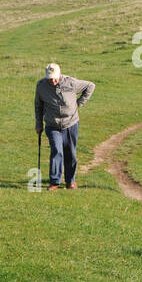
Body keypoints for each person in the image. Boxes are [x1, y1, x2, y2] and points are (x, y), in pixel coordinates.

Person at [34, 62, 95, 190]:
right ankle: (55, 181)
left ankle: (70, 181)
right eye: (50, 78)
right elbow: (38, 106)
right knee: (56, 150)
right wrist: (39, 124)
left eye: (55, 77)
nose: (53, 80)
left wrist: (78, 104)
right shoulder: (41, 86)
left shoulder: (71, 83)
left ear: (60, 74)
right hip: (52, 125)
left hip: (71, 123)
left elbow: (90, 86)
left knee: (70, 152)